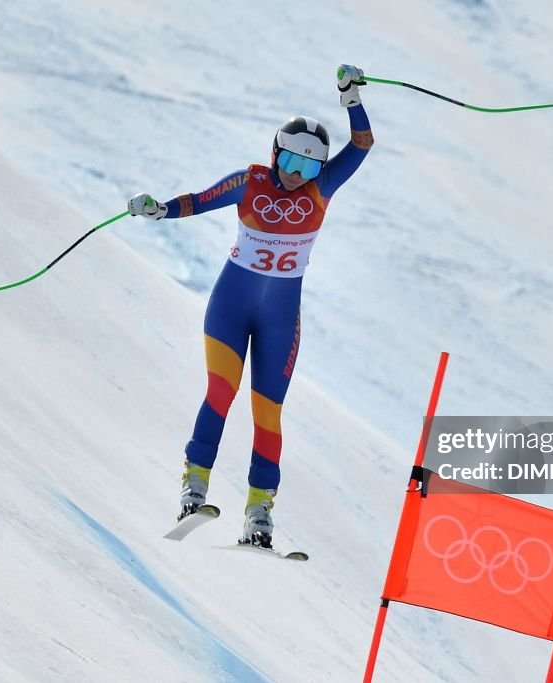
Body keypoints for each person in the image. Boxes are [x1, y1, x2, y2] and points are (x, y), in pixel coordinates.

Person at [128, 65, 373, 548]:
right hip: (232, 305)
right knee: (221, 392)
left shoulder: (321, 192)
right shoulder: (251, 182)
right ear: (276, 153)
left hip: (280, 316)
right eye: (291, 163)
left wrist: (351, 96)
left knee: (268, 412)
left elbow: (362, 144)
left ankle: (259, 515)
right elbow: (199, 201)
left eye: (309, 168)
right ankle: (193, 488)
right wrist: (159, 210)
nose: (296, 176)